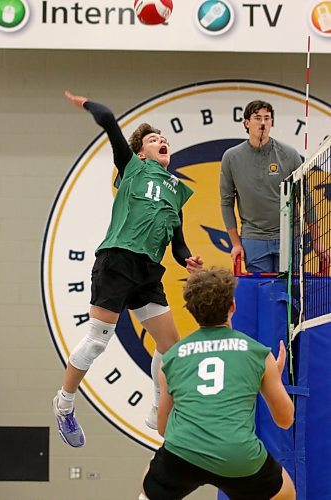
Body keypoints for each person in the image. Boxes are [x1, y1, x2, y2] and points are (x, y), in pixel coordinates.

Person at [52, 90, 203, 448]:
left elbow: (177, 244)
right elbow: (108, 119)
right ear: (140, 153)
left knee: (171, 348)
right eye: (153, 140)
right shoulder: (133, 167)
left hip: (149, 272)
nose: (161, 141)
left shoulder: (176, 192)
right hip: (118, 260)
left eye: (164, 139)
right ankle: (64, 403)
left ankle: (155, 409)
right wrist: (87, 103)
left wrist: (188, 260)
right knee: (95, 343)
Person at [141, 267, 295, 500]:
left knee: (147, 485)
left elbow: (163, 429)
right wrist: (271, 378)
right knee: (285, 492)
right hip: (237, 456)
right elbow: (285, 420)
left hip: (183, 453)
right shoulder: (258, 354)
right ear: (232, 306)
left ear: (192, 311)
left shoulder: (172, 358)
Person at [220, 99, 329, 274]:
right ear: (247, 123)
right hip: (253, 237)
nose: (262, 122)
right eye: (257, 118)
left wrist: (317, 240)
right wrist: (235, 244)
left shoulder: (289, 155)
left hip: (288, 236)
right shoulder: (231, 157)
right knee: (261, 292)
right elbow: (226, 202)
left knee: (289, 294)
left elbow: (305, 198)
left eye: (267, 118)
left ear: (271, 122)